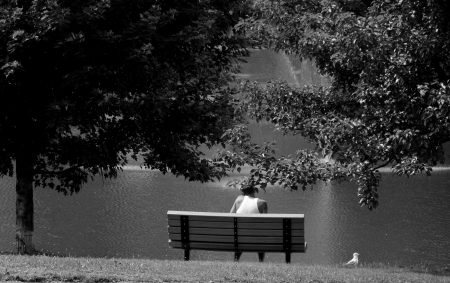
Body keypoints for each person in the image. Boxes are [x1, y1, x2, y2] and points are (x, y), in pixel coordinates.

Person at [230, 185, 268, 262]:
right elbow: (264, 221)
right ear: (254, 191)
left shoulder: (238, 200)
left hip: (239, 235)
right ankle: (261, 261)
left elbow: (230, 215)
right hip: (257, 236)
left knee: (240, 236)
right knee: (261, 236)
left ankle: (236, 260)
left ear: (243, 192)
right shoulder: (263, 203)